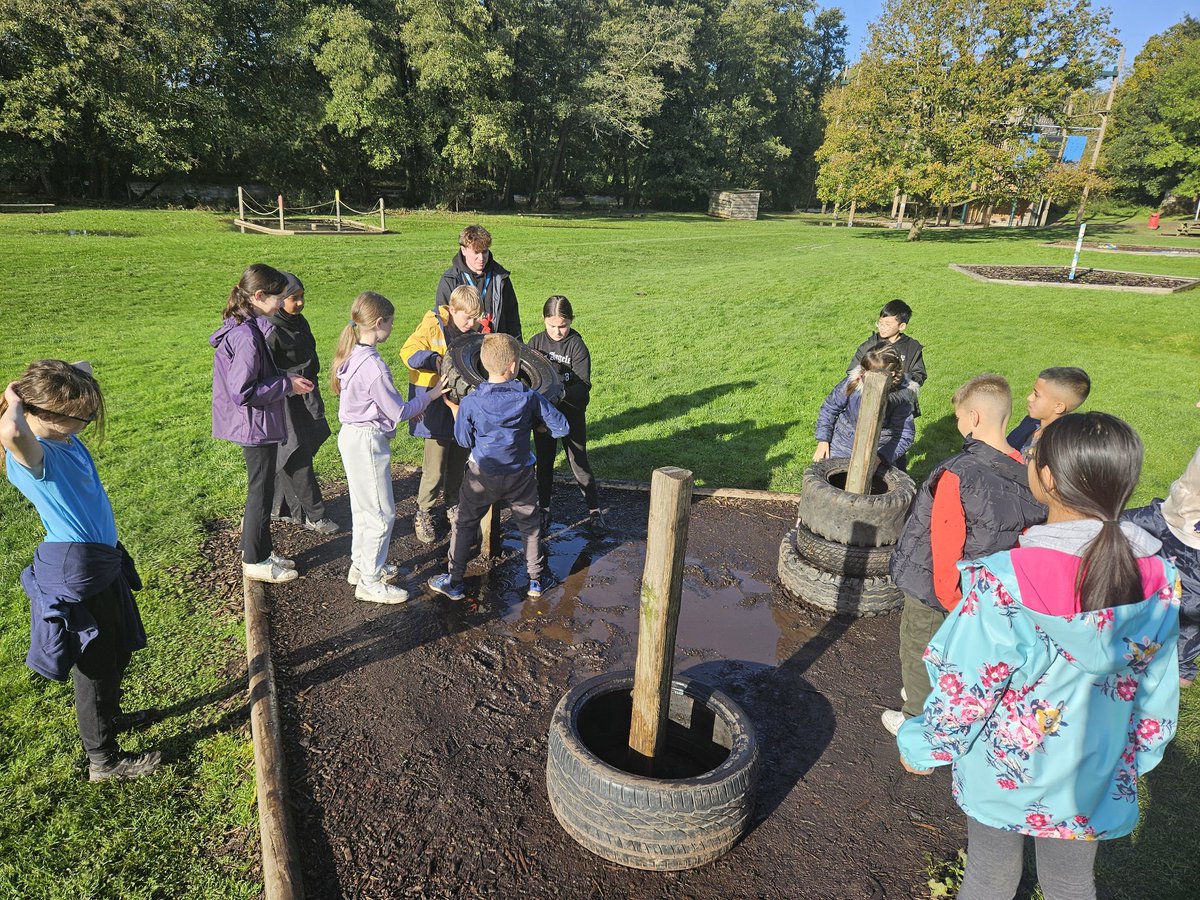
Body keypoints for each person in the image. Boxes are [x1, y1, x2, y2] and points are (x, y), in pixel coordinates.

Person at [897, 412, 1180, 900]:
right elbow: (1158, 693)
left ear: (1047, 478)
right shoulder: (1158, 580)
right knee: (1071, 882)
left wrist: (922, 744)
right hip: (1096, 771)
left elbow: (967, 690)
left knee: (988, 876)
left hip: (1003, 774)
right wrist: (1136, 758)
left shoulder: (1003, 579)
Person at [2, 360, 161, 781]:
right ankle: (102, 760)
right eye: (80, 417)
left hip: (99, 559)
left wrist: (41, 384)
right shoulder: (33, 454)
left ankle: (112, 718)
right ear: (43, 414)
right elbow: (11, 430)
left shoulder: (61, 434)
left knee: (119, 649)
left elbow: (81, 367)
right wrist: (13, 401)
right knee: (94, 667)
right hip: (76, 568)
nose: (88, 421)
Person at [882, 375, 1046, 735]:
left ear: (973, 418)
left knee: (919, 648)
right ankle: (943, 701)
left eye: (958, 418)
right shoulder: (1028, 474)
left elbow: (944, 547)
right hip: (987, 593)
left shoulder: (958, 473)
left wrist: (950, 600)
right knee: (963, 657)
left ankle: (918, 725)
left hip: (936, 591)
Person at [428, 334, 568, 601]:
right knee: (530, 527)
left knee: (464, 524)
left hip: (482, 474)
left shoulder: (470, 401)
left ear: (480, 363)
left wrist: (456, 411)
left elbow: (463, 439)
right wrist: (537, 424)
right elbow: (561, 426)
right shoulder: (530, 397)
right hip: (520, 475)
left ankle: (454, 582)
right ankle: (536, 581)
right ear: (515, 367)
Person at [332, 291, 443, 604]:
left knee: (363, 509)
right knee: (382, 514)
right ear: (378, 322)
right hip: (367, 441)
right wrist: (431, 396)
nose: (393, 329)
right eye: (391, 323)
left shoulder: (352, 352)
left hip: (351, 436)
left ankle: (361, 566)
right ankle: (370, 581)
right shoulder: (373, 366)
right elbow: (398, 412)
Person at [211, 264, 314, 584]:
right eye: (279, 296)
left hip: (257, 423)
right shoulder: (246, 336)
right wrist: (287, 385)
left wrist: (285, 378)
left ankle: (261, 550)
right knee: (260, 492)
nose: (283, 301)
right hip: (253, 425)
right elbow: (242, 391)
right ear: (258, 296)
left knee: (263, 488)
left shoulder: (251, 326)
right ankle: (254, 560)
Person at [400, 284, 484, 543]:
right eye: (466, 317)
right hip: (434, 403)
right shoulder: (432, 325)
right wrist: (433, 360)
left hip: (462, 408)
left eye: (474, 318)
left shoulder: (476, 333)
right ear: (453, 309)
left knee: (458, 463)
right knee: (434, 468)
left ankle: (452, 504)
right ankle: (423, 511)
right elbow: (408, 353)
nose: (471, 323)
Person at [266, 271, 339, 535]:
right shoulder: (271, 328)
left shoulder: (298, 321)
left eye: (302, 297)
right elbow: (265, 370)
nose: (300, 303)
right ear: (280, 299)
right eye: (294, 299)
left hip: (306, 394)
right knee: (297, 454)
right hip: (284, 400)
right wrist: (290, 379)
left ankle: (283, 508)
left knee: (307, 444)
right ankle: (314, 515)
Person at [1123, 443, 1200, 687]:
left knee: (1190, 607)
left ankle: (1180, 670)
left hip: (1194, 540)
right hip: (1168, 514)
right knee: (1104, 528)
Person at [526, 295, 602, 530]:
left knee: (578, 461)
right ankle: (544, 508)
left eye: (563, 326)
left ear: (571, 321)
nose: (558, 332)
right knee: (545, 462)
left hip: (571, 412)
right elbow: (527, 379)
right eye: (552, 326)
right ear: (543, 320)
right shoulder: (535, 343)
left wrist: (560, 394)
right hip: (543, 417)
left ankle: (594, 510)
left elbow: (583, 386)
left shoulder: (576, 345)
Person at [814, 347, 914, 467]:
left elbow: (905, 434)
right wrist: (823, 440)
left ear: (891, 374)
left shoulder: (901, 399)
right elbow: (829, 408)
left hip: (878, 449)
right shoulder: (854, 382)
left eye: (870, 373)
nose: (863, 375)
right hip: (842, 443)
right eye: (864, 370)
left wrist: (881, 457)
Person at [435, 224, 522, 339]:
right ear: (463, 250)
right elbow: (443, 322)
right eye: (476, 252)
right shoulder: (450, 280)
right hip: (462, 349)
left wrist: (517, 347)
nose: (481, 258)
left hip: (496, 348)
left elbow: (512, 319)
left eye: (484, 252)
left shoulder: (501, 277)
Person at [848, 299, 925, 415]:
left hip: (899, 404)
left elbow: (919, 374)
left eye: (887, 324)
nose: (882, 327)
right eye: (880, 323)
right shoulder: (870, 345)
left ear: (902, 326)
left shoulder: (912, 348)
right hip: (869, 400)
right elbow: (852, 370)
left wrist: (901, 384)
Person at [1006, 366, 1091, 458]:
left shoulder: (1059, 451)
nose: (1029, 398)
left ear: (1058, 407)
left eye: (1036, 395)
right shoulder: (1029, 423)